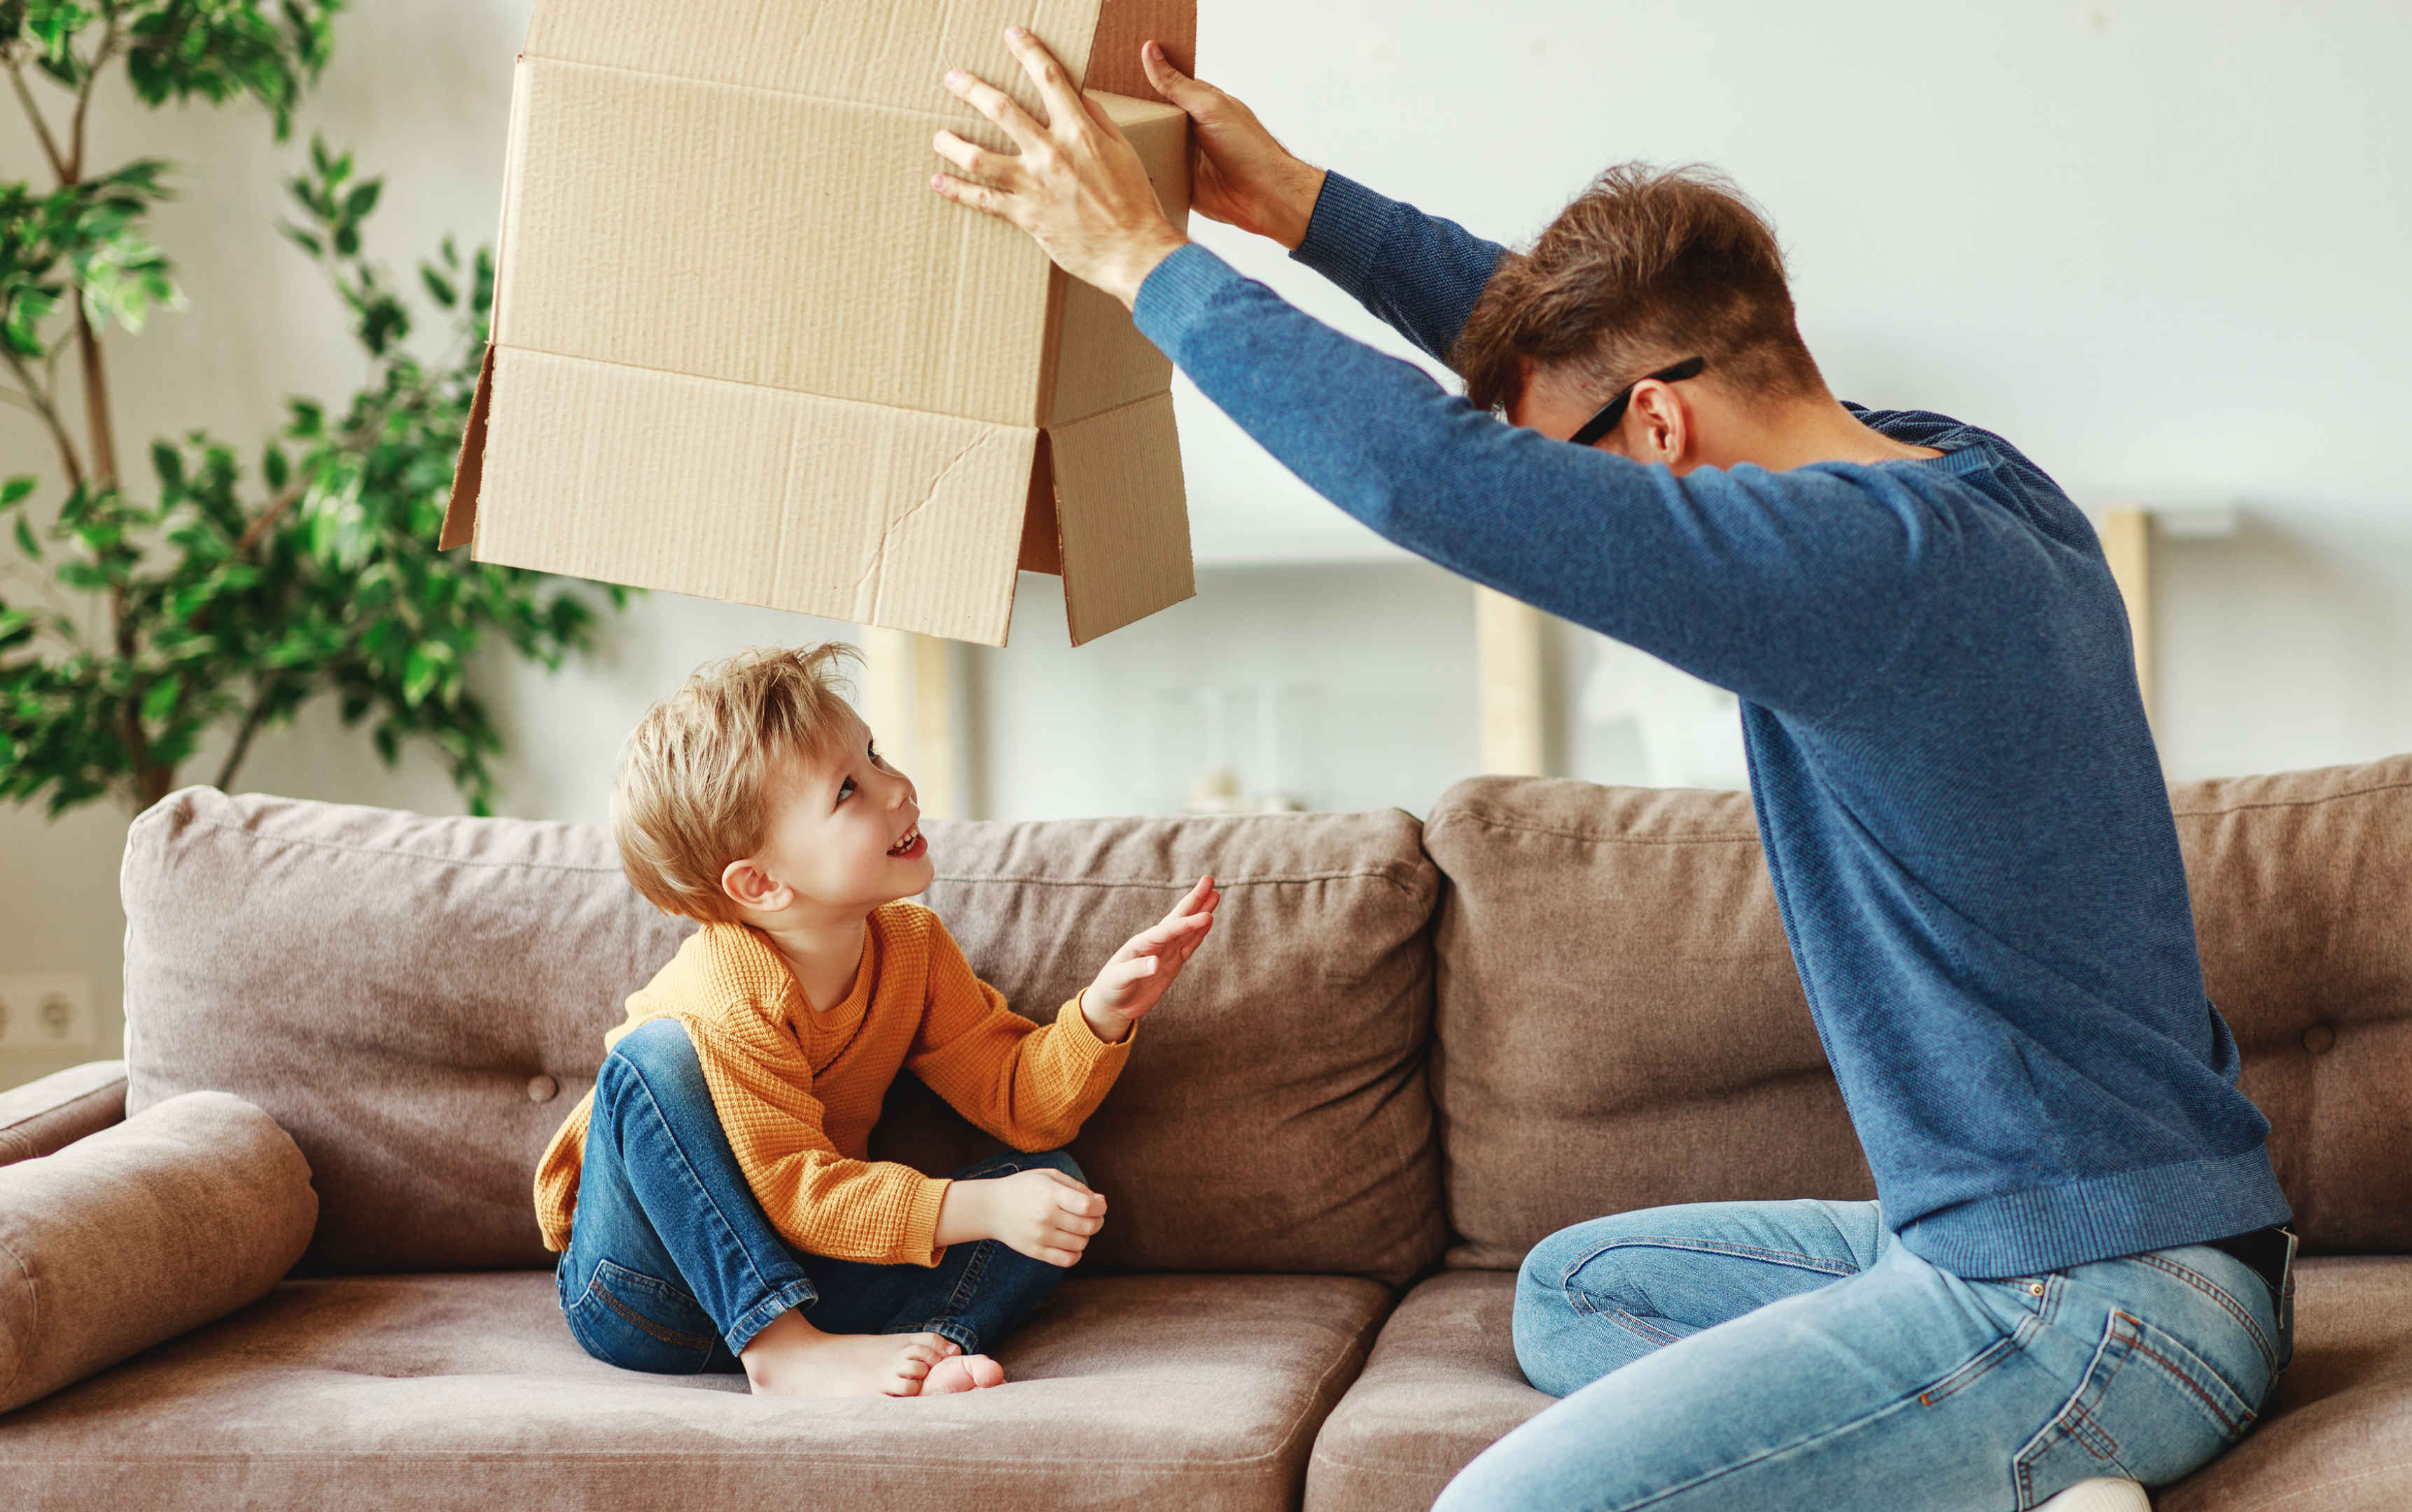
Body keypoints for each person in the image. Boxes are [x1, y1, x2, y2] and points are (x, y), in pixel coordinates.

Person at [926, 28, 2296, 1512]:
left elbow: (1443, 484)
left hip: (2092, 1309)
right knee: (1575, 1292)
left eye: (1591, 472)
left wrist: (1147, 262)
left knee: (1499, 1509)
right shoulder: (1962, 485)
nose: (1580, 511)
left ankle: (2029, 1448)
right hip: (2051, 1246)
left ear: (1657, 425)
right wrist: (1309, 210)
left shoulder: (1861, 579)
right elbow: (1586, 360)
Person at [534, 643, 1218, 1397]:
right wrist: (974, 1206)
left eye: (876, 754)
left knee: (1050, 1185)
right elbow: (798, 1191)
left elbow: (1021, 1104)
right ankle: (784, 1352)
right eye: (849, 790)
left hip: (809, 1274)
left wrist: (1103, 1014)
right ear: (760, 883)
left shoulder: (912, 948)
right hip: (647, 1290)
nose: (897, 788)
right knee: (651, 1058)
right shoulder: (727, 994)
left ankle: (918, 1354)